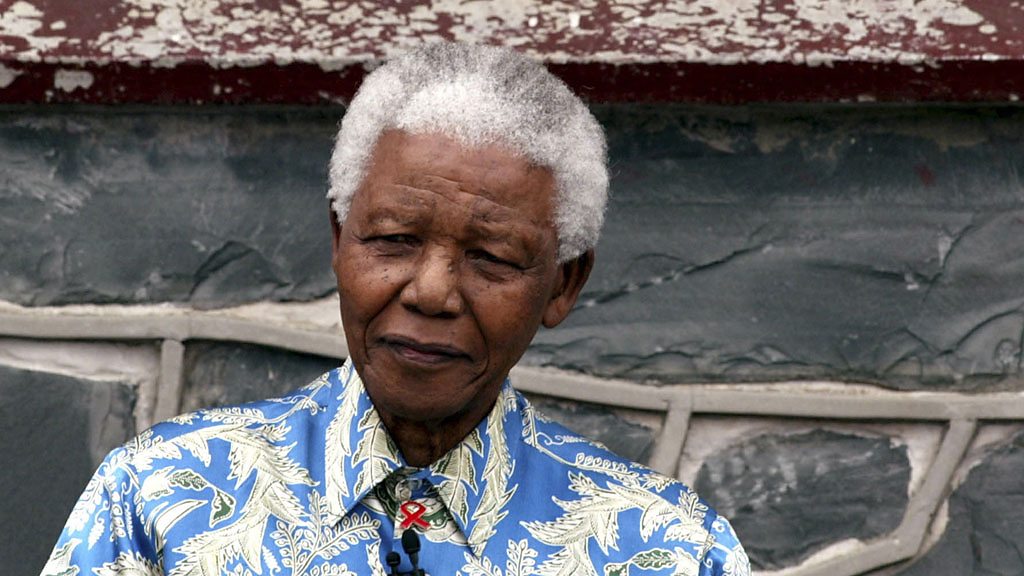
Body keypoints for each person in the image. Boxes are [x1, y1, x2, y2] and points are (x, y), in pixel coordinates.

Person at [43, 43, 749, 576]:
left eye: (492, 257)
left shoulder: (666, 548)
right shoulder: (160, 498)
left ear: (563, 285)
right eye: (394, 240)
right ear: (339, 239)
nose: (431, 292)